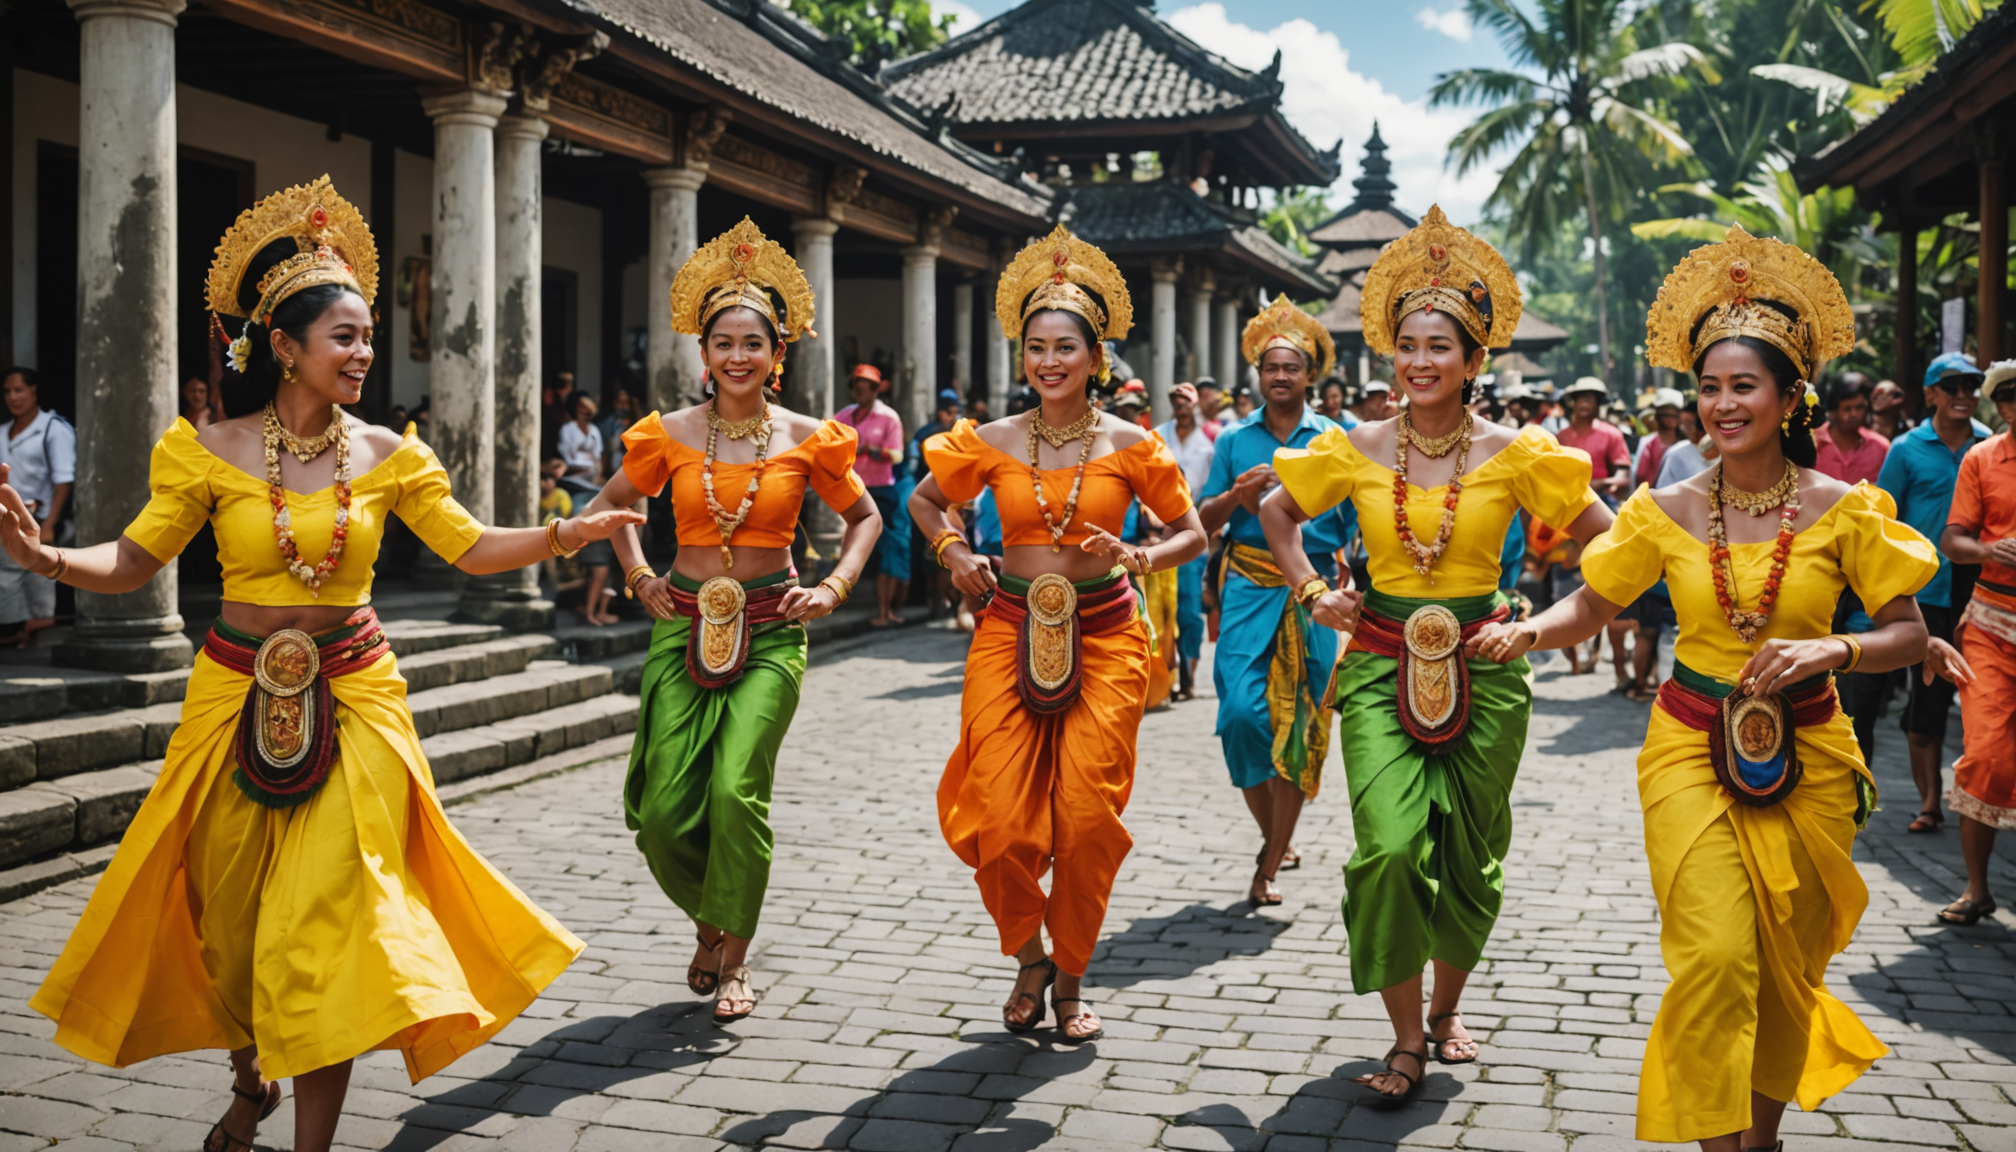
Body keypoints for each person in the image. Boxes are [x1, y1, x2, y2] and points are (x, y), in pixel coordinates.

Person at [7, 177, 642, 1152]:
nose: (364, 352)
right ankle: (249, 1079)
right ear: (287, 348)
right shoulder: (207, 451)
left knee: (328, 930)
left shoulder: (390, 453)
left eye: (367, 336)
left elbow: (470, 548)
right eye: (344, 336)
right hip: (230, 697)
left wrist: (568, 533)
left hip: (355, 697)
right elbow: (134, 562)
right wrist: (45, 560)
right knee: (230, 928)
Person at [1467, 223, 1947, 1150]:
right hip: (1689, 742)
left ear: (1789, 396)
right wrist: (1525, 629)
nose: (1722, 406)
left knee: (1780, 967)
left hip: (1812, 751)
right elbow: (1588, 607)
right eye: (1709, 388)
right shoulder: (1664, 508)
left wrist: (1831, 653)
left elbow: (1905, 634)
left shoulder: (1847, 511)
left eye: (1744, 387)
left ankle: (1754, 1140)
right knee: (1717, 957)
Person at [1259, 206, 1611, 1106]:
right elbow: (1277, 515)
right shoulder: (1355, 446)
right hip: (1379, 663)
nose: (1420, 362)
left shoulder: (1520, 453)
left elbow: (1612, 547)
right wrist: (1311, 591)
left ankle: (1447, 1009)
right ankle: (1407, 1038)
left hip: (1487, 671)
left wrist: (1536, 628)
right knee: (1387, 848)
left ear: (1474, 358)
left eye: (1439, 347)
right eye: (1407, 345)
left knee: (1468, 852)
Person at [576, 218, 883, 1025]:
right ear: (702, 353)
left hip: (773, 627)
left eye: (753, 342)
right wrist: (637, 570)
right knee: (663, 810)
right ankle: (709, 921)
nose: (738, 355)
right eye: (722, 342)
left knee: (737, 789)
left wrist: (836, 588)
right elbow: (612, 507)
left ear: (777, 354)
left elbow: (867, 518)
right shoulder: (667, 435)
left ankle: (734, 956)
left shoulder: (813, 438)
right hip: (680, 623)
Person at [908, 225, 1206, 1044]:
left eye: (1065, 347)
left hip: (1108, 634)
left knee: (1084, 817)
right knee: (1000, 817)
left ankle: (1071, 974)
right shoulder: (993, 440)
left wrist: (1143, 553)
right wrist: (955, 550)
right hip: (1007, 627)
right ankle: (1030, 954)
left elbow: (1192, 534)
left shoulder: (1134, 445)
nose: (1049, 361)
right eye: (1036, 346)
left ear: (1094, 354)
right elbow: (926, 501)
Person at [1197, 297, 1353, 906]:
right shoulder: (1235, 439)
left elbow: (1357, 521)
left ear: (1311, 375)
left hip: (1313, 593)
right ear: (1258, 376)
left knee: (1304, 726)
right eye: (1270, 368)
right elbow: (1200, 520)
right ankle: (1275, 837)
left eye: (1292, 367)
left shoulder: (1335, 438)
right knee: (1239, 716)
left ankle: (1267, 864)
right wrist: (1234, 497)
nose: (1280, 377)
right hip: (1248, 587)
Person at [1879, 350, 1990, 833]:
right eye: (1953, 387)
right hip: (1923, 595)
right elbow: (1881, 523)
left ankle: (1978, 797)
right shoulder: (1905, 449)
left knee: (1982, 698)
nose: (1964, 396)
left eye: (1971, 387)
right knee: (1928, 703)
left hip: (1982, 592)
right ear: (1932, 395)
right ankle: (1929, 801)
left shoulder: (1990, 446)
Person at [1933, 357, 2016, 924]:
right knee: (1985, 755)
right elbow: (1952, 539)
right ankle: (1977, 888)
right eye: (2008, 399)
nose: (2015, 406)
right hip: (1991, 622)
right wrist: (1988, 551)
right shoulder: (1983, 458)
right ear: (2000, 406)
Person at [1557, 376, 1635, 683]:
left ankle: (1607, 655)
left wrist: (1601, 484)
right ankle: (1572, 652)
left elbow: (1623, 475)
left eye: (1592, 397)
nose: (1586, 403)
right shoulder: (1561, 435)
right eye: (1581, 397)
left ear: (1598, 403)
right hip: (1563, 515)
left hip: (1600, 511)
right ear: (1573, 402)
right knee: (1562, 584)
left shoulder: (1611, 434)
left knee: (1604, 584)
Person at [0, 368, 73, 646]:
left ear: (33, 391)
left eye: (19, 390)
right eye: (8, 392)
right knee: (8, 576)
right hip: (8, 517)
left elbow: (63, 481)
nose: (13, 397)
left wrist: (51, 524)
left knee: (38, 573)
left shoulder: (53, 428)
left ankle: (37, 630)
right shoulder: (3, 432)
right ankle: (17, 631)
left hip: (40, 517)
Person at [834, 364, 908, 627]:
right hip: (851, 489)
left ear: (876, 390)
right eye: (857, 387)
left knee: (886, 551)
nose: (859, 392)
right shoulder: (843, 416)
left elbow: (898, 455)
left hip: (881, 490)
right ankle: (839, 599)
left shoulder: (889, 418)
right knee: (851, 545)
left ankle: (884, 611)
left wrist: (870, 449)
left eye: (865, 388)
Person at [1155, 383, 1216, 699]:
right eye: (1176, 401)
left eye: (1186, 402)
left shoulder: (1209, 441)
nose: (1181, 407)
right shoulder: (1156, 436)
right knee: (1161, 609)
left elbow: (1213, 488)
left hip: (1195, 532)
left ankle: (1189, 678)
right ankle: (1162, 677)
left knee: (1189, 609)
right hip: (1158, 532)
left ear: (1194, 406)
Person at [1814, 374, 1889, 485]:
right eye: (1847, 409)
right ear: (1834, 411)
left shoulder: (1880, 447)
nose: (1853, 414)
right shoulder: (1813, 442)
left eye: (1859, 407)